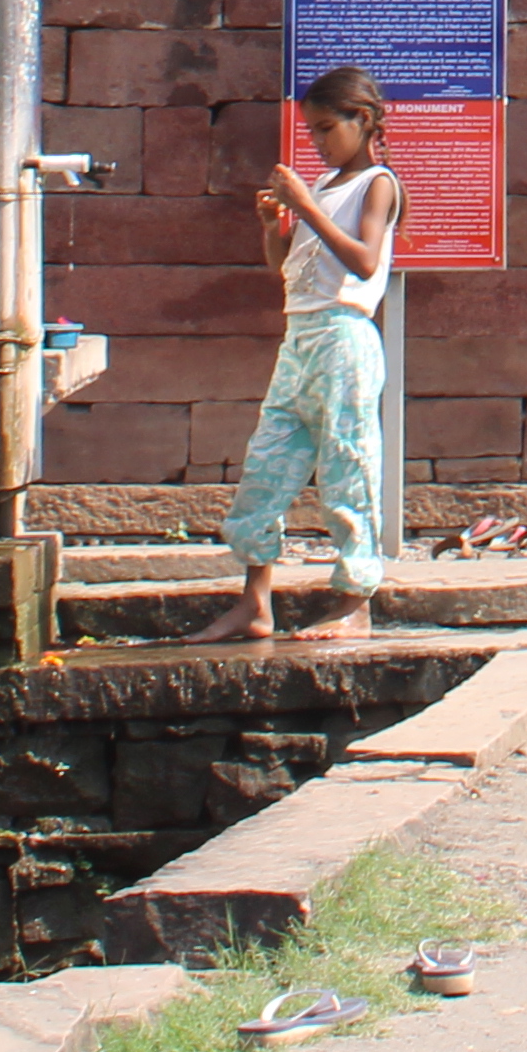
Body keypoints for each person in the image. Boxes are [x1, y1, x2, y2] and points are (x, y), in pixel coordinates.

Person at [196, 64, 402, 644]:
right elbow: (285, 267)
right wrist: (274, 224)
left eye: (326, 128)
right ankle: (255, 603)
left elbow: (364, 261)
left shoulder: (377, 184)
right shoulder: (328, 184)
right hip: (302, 338)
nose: (317, 141)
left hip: (345, 337)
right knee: (266, 461)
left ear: (362, 120)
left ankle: (355, 602)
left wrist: (307, 206)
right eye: (311, 131)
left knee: (348, 464)